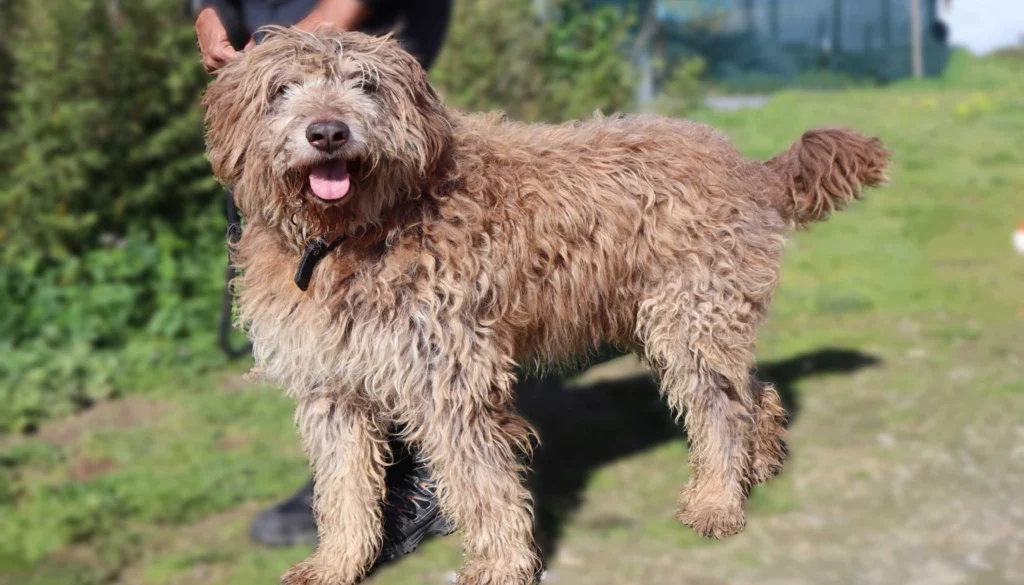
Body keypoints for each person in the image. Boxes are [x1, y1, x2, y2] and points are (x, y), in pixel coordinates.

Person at [193, 0, 455, 567]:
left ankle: (426, 481)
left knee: (426, 358)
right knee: (330, 381)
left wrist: (299, 40)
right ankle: (346, 531)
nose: (327, 119)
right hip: (258, 71)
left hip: (377, 38)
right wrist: (209, 13)